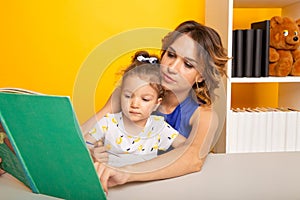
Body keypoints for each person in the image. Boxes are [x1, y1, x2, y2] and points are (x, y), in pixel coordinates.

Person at [81, 20, 229, 193]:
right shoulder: (129, 94)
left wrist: (125, 173)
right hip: (122, 191)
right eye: (171, 55)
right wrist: (91, 152)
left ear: (201, 76)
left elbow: (193, 158)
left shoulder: (204, 116)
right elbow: (83, 134)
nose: (172, 68)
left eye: (188, 64)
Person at [85, 51, 186, 167]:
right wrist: (92, 154)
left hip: (144, 182)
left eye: (145, 99)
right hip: (110, 179)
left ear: (156, 104)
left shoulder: (159, 128)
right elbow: (82, 146)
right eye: (128, 96)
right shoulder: (107, 123)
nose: (134, 104)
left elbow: (188, 147)